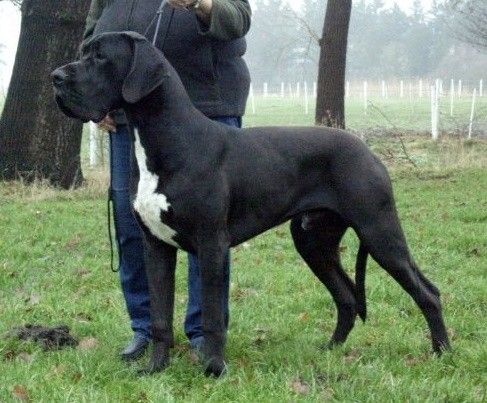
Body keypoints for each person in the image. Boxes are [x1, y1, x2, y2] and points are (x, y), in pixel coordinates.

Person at [83, 0, 251, 361]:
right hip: (133, 113)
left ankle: (205, 333)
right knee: (133, 224)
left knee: (206, 230)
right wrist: (95, 98)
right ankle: (147, 329)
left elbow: (238, 19)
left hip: (207, 107)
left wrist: (201, 4)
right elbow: (93, 34)